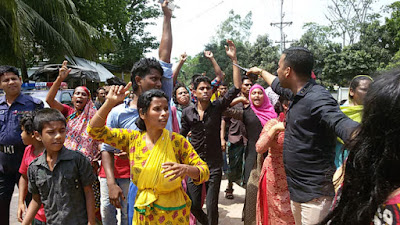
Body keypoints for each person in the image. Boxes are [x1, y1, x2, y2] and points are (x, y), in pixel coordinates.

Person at [247, 47, 359, 225]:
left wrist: (367, 138)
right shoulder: (296, 94)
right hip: (297, 192)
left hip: (315, 196)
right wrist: (260, 71)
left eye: (278, 66)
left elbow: (340, 123)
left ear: (288, 71)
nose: (277, 70)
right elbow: (275, 83)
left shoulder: (318, 98)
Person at [88, 87, 210, 224]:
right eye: (157, 109)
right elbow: (94, 131)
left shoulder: (177, 142)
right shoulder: (132, 139)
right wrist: (109, 103)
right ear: (142, 113)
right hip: (144, 212)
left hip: (174, 213)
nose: (164, 113)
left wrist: (186, 169)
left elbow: (204, 171)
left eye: (166, 109)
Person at [100, 2, 174, 224]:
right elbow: (106, 148)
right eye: (154, 79)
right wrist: (111, 183)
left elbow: (165, 54)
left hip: (166, 183)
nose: (159, 83)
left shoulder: (162, 99)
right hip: (135, 183)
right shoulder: (117, 113)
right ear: (138, 80)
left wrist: (167, 18)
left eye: (161, 79)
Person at [318, 70, 400, 225]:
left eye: (370, 90)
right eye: (364, 89)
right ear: (352, 91)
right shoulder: (340, 113)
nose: (366, 93)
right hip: (353, 162)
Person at [180, 40, 242, 225]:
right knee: (193, 204)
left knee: (212, 205)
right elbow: (181, 135)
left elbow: (236, 88)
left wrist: (234, 59)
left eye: (208, 88)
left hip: (214, 165)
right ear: (194, 92)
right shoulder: (187, 112)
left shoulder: (217, 107)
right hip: (194, 165)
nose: (206, 91)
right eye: (202, 89)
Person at [46, 61, 102, 220]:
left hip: (89, 165)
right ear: (72, 98)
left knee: (91, 199)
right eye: (77, 93)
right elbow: (49, 100)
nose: (80, 96)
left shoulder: (94, 115)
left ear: (89, 99)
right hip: (68, 163)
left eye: (84, 94)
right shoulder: (68, 112)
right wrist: (59, 79)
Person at [22, 108, 96, 225]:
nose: (58, 136)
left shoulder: (77, 160)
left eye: (62, 131)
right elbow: (36, 200)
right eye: (51, 132)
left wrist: (91, 222)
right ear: (38, 135)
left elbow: (88, 192)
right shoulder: (35, 168)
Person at [224, 84, 277, 225]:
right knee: (252, 192)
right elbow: (223, 110)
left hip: (271, 157)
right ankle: (250, 221)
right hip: (253, 157)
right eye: (254, 93)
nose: (257, 96)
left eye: (260, 93)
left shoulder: (273, 113)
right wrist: (240, 99)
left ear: (264, 96)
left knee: (269, 192)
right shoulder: (246, 112)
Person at [0, 65, 44, 225]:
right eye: (6, 80)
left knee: (33, 203)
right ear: (0, 84)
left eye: (14, 78)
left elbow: (41, 133)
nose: (11, 82)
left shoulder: (34, 104)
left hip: (27, 160)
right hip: (3, 163)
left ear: (20, 80)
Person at [255, 95, 294, 225]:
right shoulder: (273, 123)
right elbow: (260, 147)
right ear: (285, 105)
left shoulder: (304, 125)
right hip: (274, 177)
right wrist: (275, 129)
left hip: (296, 177)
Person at [222, 76, 253, 199]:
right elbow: (224, 119)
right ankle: (229, 187)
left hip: (249, 139)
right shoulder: (234, 101)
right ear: (240, 86)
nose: (249, 87)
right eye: (246, 85)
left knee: (247, 166)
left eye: (250, 84)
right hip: (234, 137)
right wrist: (222, 138)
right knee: (232, 165)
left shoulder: (254, 100)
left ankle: (248, 189)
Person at [334, 75, 373, 168]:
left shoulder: (375, 113)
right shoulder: (337, 114)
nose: (369, 93)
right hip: (338, 161)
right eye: (364, 89)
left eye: (372, 90)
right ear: (352, 91)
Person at [17, 112, 46, 224]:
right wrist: (20, 202)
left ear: (33, 134)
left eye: (23, 131)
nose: (21, 135)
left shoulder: (50, 154)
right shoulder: (28, 150)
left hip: (53, 214)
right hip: (36, 213)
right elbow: (24, 177)